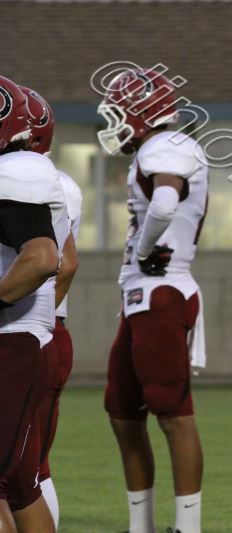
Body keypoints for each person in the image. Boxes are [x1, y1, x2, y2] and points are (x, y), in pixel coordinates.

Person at [97, 67, 208, 533]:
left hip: (163, 290)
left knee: (172, 413)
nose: (115, 123)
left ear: (143, 112)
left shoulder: (168, 145)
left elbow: (164, 203)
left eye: (120, 113)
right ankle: (140, 525)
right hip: (142, 294)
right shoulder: (152, 149)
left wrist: (144, 249)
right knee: (122, 411)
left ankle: (187, 528)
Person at [0, 74, 66, 533]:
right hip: (24, 338)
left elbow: (43, 258)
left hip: (12, 342)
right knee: (22, 483)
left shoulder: (18, 170)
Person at [19, 85, 83, 529]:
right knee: (30, 468)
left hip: (31, 329)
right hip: (45, 329)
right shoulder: (54, 180)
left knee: (28, 471)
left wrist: (34, 317)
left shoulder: (36, 181)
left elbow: (64, 264)